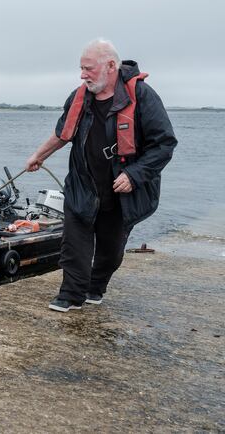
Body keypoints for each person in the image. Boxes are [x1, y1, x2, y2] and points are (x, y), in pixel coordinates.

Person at [25, 39, 177, 312]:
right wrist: (39, 156)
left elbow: (165, 144)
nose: (83, 75)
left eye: (88, 69)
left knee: (110, 251)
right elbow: (63, 133)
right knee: (74, 242)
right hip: (83, 185)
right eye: (81, 69)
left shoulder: (142, 96)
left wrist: (135, 174)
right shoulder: (78, 97)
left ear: (110, 66)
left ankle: (95, 287)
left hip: (122, 191)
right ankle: (71, 295)